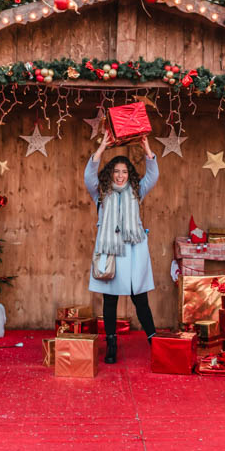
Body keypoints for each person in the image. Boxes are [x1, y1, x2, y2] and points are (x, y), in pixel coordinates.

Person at [84, 132, 158, 364]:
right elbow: (89, 176)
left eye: (124, 171)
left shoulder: (137, 190)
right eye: (116, 171)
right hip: (111, 252)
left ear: (129, 175)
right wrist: (102, 148)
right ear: (110, 173)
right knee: (110, 300)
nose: (120, 175)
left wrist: (147, 150)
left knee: (140, 299)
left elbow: (153, 176)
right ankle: (112, 344)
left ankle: (154, 342)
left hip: (134, 251)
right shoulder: (101, 192)